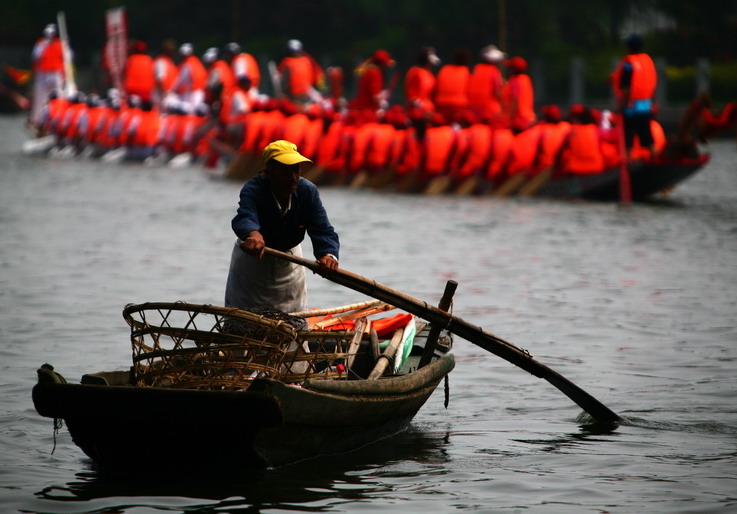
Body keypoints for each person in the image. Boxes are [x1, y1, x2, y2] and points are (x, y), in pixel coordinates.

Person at [225, 140, 340, 313]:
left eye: (296, 170)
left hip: (289, 261)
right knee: (244, 318)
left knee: (293, 319)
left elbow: (322, 228)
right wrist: (253, 234)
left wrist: (328, 255)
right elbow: (245, 215)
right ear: (268, 172)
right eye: (285, 171)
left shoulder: (308, 191)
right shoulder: (254, 188)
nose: (293, 177)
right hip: (253, 260)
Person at [611, 33, 657, 156]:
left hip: (631, 107)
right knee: (647, 136)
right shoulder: (648, 61)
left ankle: (627, 161)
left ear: (629, 47)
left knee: (628, 137)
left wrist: (621, 106)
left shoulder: (628, 64)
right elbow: (652, 83)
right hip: (646, 105)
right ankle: (654, 156)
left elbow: (627, 88)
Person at [30, 24, 65, 127]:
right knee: (40, 97)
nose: (50, 36)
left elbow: (68, 56)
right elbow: (36, 55)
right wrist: (44, 45)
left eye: (52, 34)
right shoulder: (41, 43)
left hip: (56, 72)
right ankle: (37, 119)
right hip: (43, 73)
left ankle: (59, 117)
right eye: (48, 33)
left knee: (58, 95)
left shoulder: (60, 43)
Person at [467, 44, 506, 123]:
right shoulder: (494, 71)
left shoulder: (476, 69)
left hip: (473, 110)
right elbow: (497, 92)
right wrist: (504, 107)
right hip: (489, 111)